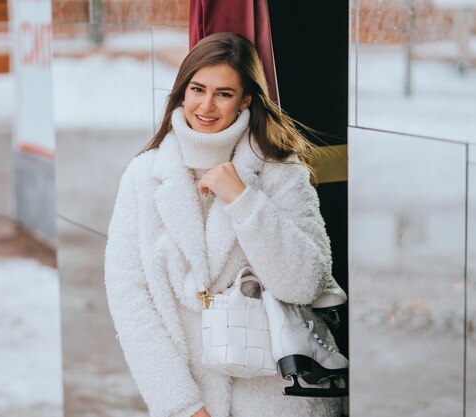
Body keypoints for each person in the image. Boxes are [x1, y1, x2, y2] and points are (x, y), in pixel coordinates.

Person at [104, 32, 342, 417]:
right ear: (182, 91)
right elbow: (129, 299)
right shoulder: (143, 175)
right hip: (192, 398)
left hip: (279, 400)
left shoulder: (280, 171)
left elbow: (307, 282)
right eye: (198, 89)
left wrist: (243, 200)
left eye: (224, 93)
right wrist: (180, 404)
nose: (207, 105)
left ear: (246, 99)